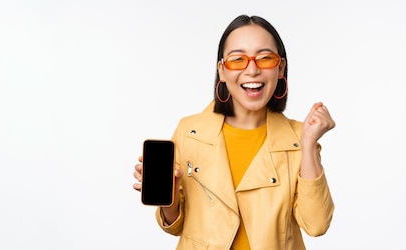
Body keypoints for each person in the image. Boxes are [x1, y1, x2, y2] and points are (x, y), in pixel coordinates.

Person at [133, 14, 336, 249]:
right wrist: (168, 197)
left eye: (265, 58)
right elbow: (175, 225)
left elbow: (317, 224)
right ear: (222, 70)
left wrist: (309, 143)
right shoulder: (189, 132)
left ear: (280, 67)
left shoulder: (299, 138)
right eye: (237, 59)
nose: (252, 70)